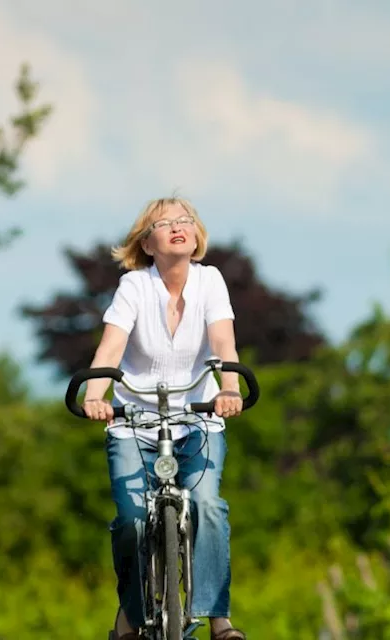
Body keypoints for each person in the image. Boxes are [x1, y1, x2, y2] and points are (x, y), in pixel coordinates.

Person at [81, 197, 248, 640]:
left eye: (185, 220)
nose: (178, 226)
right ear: (147, 243)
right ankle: (132, 617)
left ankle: (218, 620)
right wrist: (95, 395)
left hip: (198, 421)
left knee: (208, 505)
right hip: (135, 422)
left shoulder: (211, 281)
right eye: (165, 223)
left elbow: (223, 344)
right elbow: (110, 350)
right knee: (133, 521)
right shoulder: (134, 287)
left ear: (196, 236)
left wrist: (229, 390)